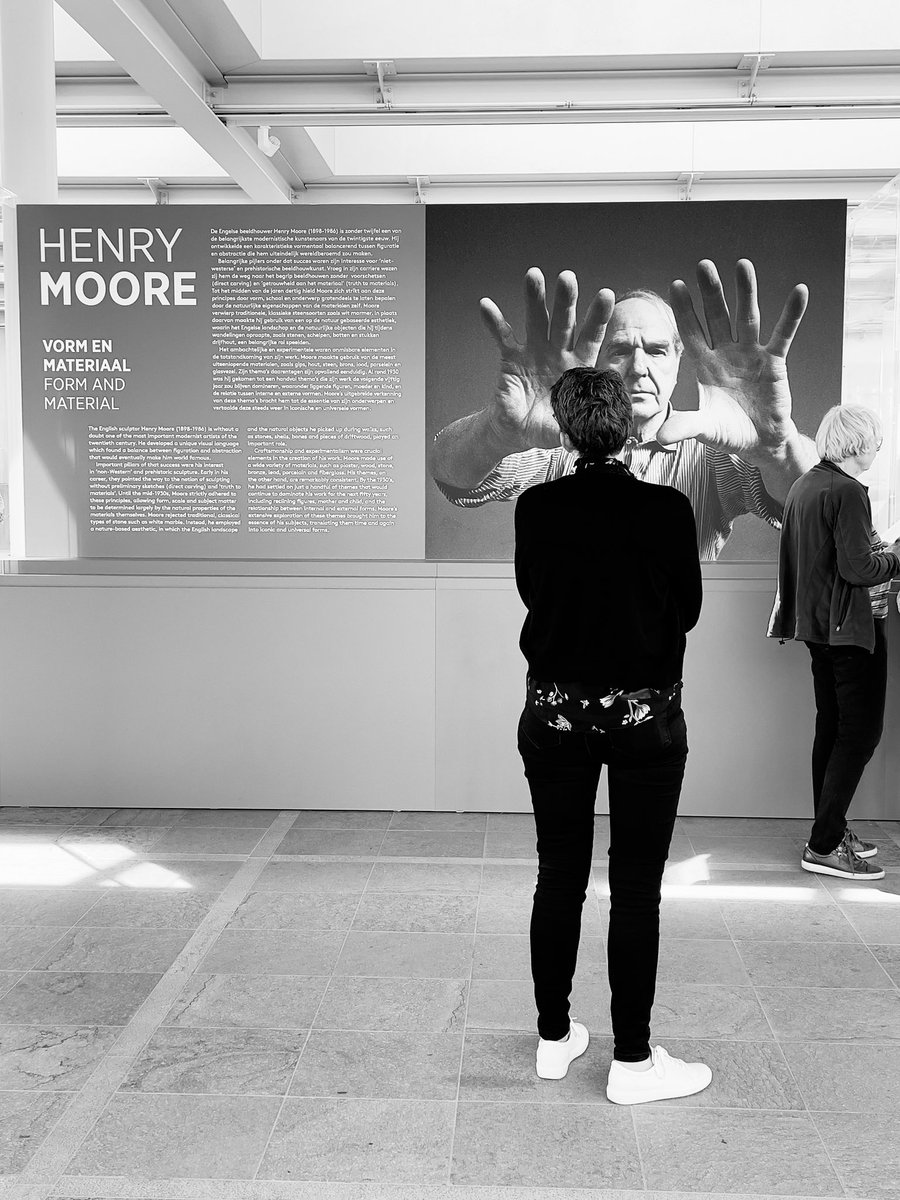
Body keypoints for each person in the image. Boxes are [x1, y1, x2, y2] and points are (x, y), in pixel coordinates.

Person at [515, 364, 712, 1104]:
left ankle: (554, 1038)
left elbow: (535, 592)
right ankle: (632, 1061)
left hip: (555, 716)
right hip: (646, 722)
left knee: (558, 874)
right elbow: (686, 610)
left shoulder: (536, 507)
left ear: (565, 428)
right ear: (628, 425)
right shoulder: (666, 509)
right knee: (635, 886)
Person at [430, 260, 819, 559]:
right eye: (619, 350)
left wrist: (778, 450)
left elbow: (810, 512)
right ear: (594, 363)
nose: (637, 368)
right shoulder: (556, 443)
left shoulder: (713, 457)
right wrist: (496, 433)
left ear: (679, 360)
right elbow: (452, 475)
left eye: (656, 350)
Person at [768, 405, 900, 880]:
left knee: (833, 729)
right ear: (858, 443)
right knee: (859, 734)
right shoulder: (846, 491)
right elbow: (859, 569)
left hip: (818, 630)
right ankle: (824, 845)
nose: (878, 449)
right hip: (849, 631)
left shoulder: (807, 484)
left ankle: (829, 828)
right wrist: (897, 558)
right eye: (876, 441)